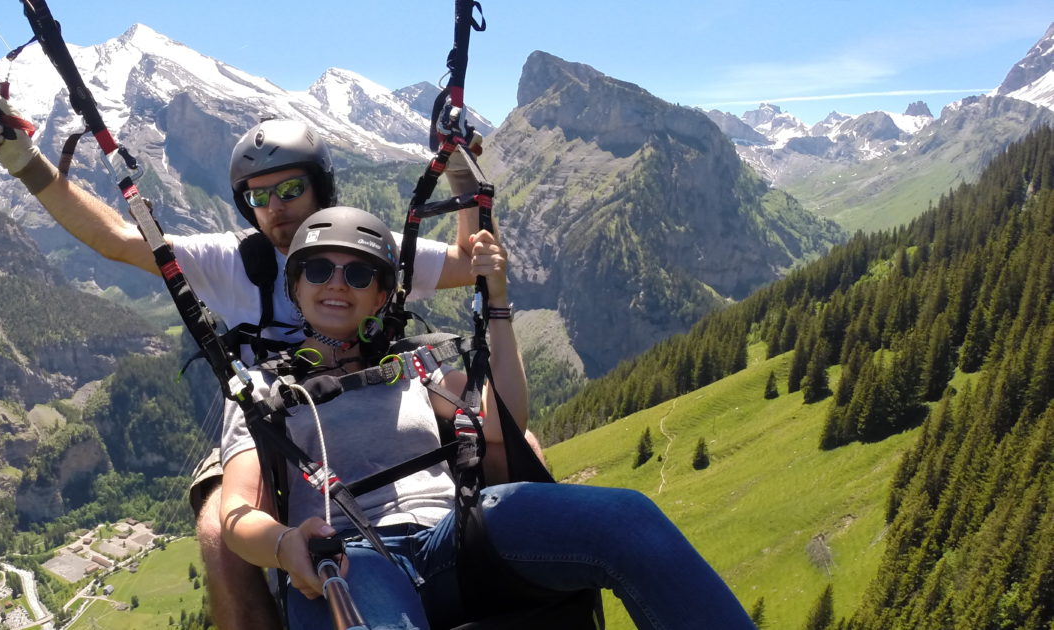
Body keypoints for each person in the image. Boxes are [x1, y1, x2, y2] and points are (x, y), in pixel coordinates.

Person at [0, 94, 493, 630]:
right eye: (258, 196)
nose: (276, 207)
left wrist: (460, 173)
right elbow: (117, 239)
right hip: (267, 428)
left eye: (291, 189)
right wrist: (24, 161)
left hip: (376, 400)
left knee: (512, 441)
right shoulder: (233, 261)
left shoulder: (359, 245)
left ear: (321, 188)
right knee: (218, 536)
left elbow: (466, 263)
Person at [218, 207, 755, 630]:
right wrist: (287, 546)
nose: (337, 283)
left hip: (455, 535)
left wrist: (496, 301)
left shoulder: (409, 368)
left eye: (357, 273)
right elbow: (237, 511)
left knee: (626, 519)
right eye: (318, 269)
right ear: (296, 285)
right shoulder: (265, 390)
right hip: (350, 559)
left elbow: (503, 422)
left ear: (381, 295)